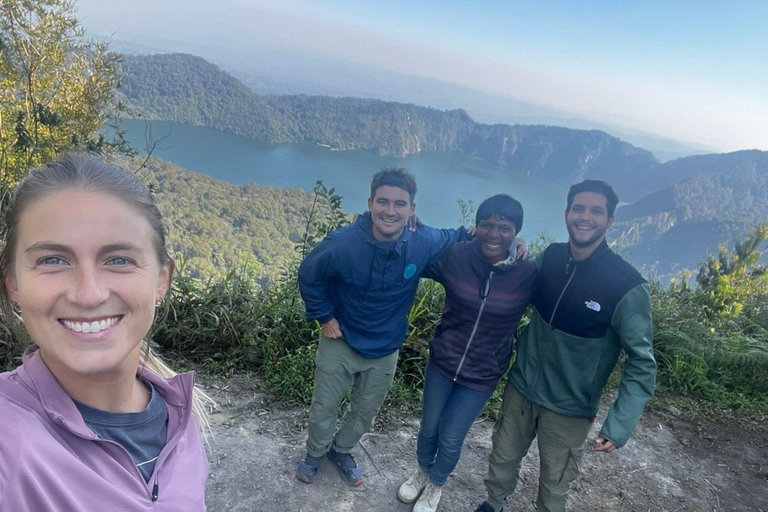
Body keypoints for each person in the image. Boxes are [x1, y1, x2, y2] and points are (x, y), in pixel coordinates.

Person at [0, 154, 211, 512]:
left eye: (118, 260)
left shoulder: (182, 415)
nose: (88, 294)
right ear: (13, 284)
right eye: (53, 260)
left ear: (161, 280)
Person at [473, 180, 657, 512]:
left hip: (569, 407)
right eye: (579, 209)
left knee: (555, 483)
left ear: (610, 220)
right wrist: (511, 250)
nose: (585, 217)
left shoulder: (626, 285)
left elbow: (642, 361)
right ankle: (493, 504)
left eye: (596, 211)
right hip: (521, 387)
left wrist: (619, 424)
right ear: (567, 213)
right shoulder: (552, 257)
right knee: (501, 457)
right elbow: (515, 291)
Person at [296, 167, 469, 486]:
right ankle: (315, 453)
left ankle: (342, 450)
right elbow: (309, 274)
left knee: (365, 411)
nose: (391, 211)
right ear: (370, 203)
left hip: (385, 347)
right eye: (383, 202)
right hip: (341, 339)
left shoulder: (423, 240)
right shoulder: (342, 243)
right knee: (324, 406)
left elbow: (462, 235)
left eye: (400, 204)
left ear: (412, 210)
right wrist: (324, 316)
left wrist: (510, 239)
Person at [397, 195, 537, 512]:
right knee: (429, 426)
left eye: (504, 227)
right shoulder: (457, 256)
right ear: (477, 226)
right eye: (487, 225)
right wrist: (413, 226)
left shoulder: (527, 274)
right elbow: (418, 253)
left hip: (483, 373)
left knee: (450, 436)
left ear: (516, 232)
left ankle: (436, 484)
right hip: (443, 361)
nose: (494, 233)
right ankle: (421, 472)